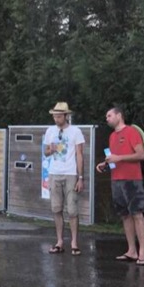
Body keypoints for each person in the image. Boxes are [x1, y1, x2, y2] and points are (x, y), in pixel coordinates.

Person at [96, 106, 144, 265]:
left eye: (109, 115)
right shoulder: (112, 136)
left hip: (132, 179)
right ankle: (131, 250)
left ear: (119, 116)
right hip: (116, 179)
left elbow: (141, 155)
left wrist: (119, 158)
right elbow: (113, 159)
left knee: (137, 214)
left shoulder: (131, 132)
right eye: (106, 116)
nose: (107, 119)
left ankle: (142, 252)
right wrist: (105, 164)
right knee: (125, 215)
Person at [43, 102, 85, 255]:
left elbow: (80, 155)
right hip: (54, 173)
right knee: (56, 208)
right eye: (54, 116)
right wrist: (51, 150)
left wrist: (81, 177)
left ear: (66, 116)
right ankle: (59, 241)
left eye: (59, 116)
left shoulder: (75, 131)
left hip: (70, 173)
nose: (56, 119)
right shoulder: (50, 131)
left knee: (72, 209)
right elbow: (45, 152)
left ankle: (74, 242)